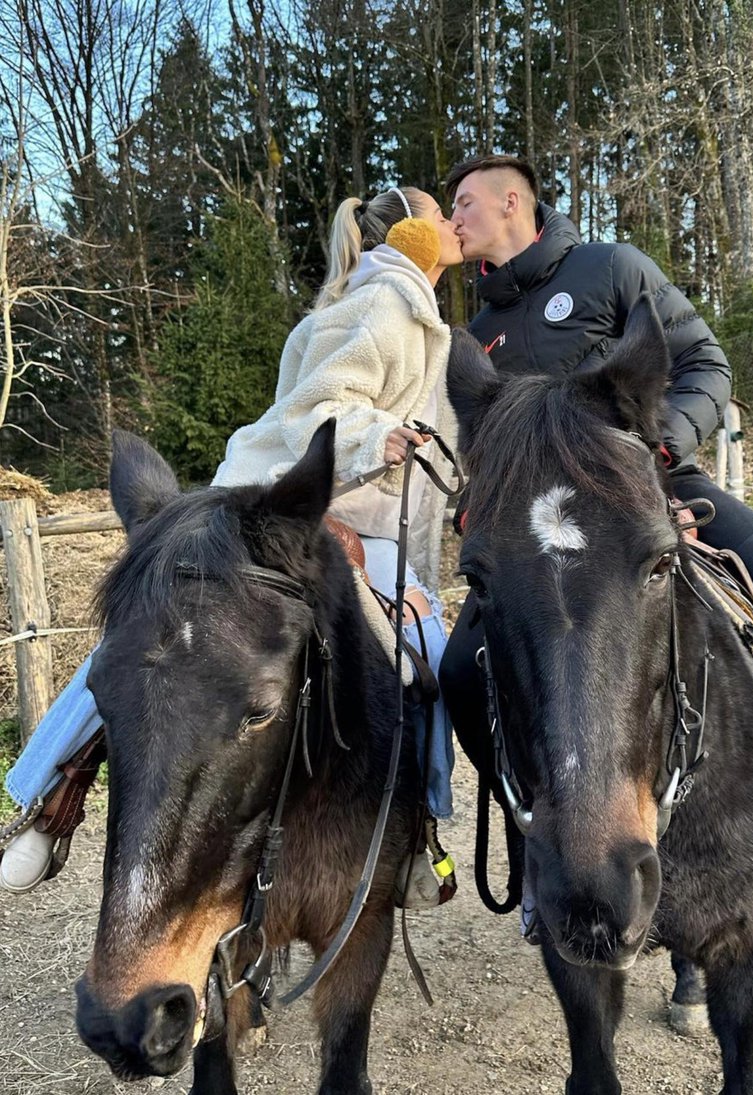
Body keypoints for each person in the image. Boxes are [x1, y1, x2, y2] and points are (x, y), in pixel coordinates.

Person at [438, 154, 753, 904]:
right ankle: (536, 837)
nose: (453, 221)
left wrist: (657, 457)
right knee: (460, 674)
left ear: (510, 200)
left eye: (463, 204)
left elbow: (705, 366)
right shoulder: (479, 332)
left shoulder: (611, 267)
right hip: (543, 539)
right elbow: (483, 454)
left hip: (658, 488)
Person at [1, 185, 463, 907]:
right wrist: (379, 436)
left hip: (287, 498)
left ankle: (46, 791)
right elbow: (322, 407)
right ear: (413, 235)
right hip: (303, 503)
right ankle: (422, 831)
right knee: (429, 647)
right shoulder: (389, 306)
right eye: (441, 214)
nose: (452, 224)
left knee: (147, 634)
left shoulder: (379, 303)